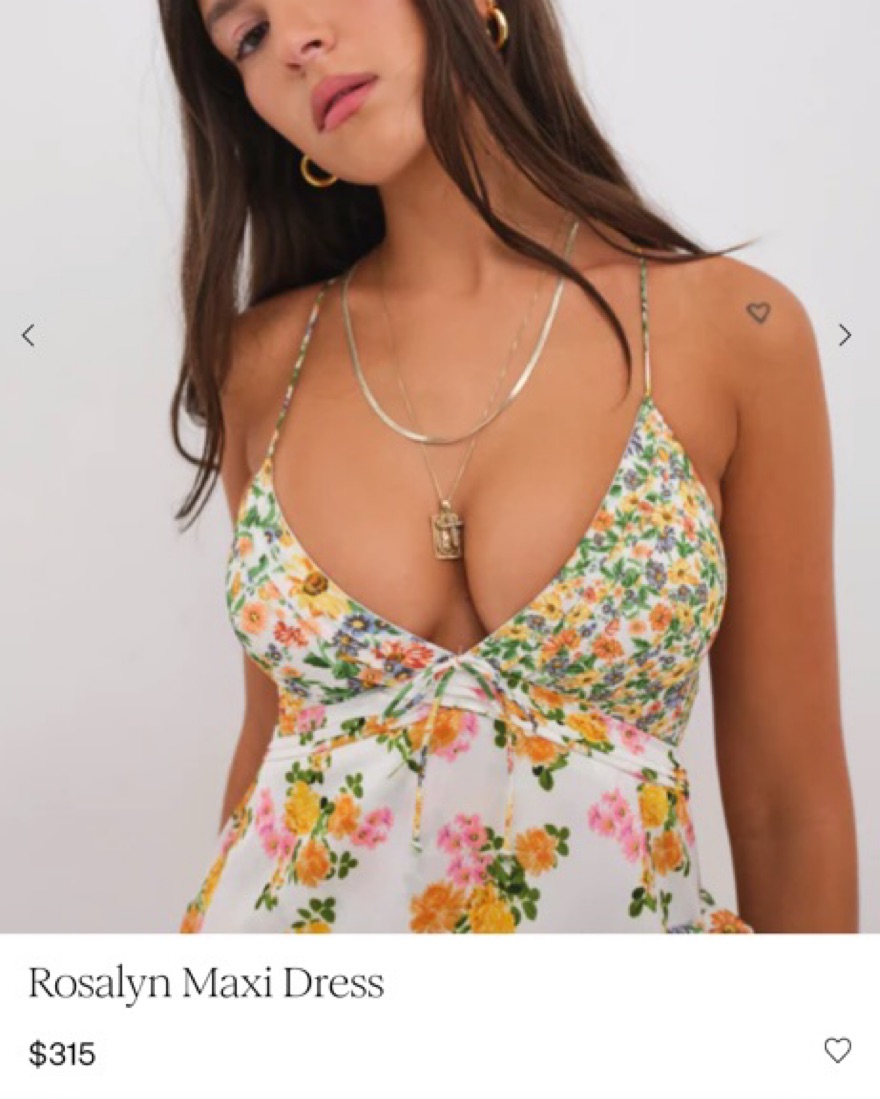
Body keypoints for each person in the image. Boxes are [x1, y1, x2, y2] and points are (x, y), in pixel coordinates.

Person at [160, 0, 858, 932]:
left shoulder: (733, 332)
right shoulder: (263, 367)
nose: (293, 41)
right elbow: (273, 756)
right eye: (246, 36)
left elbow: (789, 809)